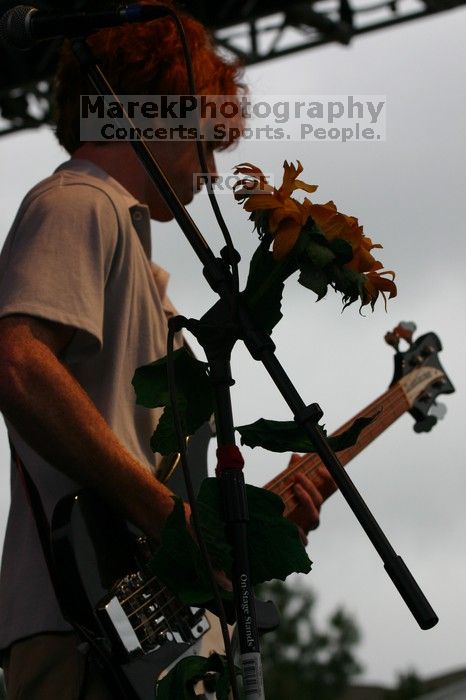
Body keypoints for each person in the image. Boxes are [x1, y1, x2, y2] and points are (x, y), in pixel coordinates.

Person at [0, 2, 331, 697]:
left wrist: (253, 535)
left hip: (153, 645)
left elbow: (170, 489)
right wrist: (166, 517)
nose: (210, 172)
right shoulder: (79, 203)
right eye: (207, 142)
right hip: (85, 636)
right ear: (157, 111)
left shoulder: (154, 288)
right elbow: (18, 363)